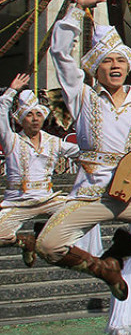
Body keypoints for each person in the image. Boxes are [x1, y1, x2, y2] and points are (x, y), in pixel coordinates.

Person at [34, 0, 131, 300]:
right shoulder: (83, 98)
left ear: (128, 67)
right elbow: (59, 54)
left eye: (120, 61)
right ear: (95, 69)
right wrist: (76, 9)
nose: (114, 66)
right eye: (107, 61)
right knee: (48, 244)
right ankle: (104, 269)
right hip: (91, 191)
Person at [0, 74, 80, 265]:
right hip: (18, 202)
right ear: (21, 120)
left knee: (80, 214)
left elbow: (84, 151)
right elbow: (1, 110)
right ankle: (24, 243)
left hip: (47, 198)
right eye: (29, 115)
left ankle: (44, 235)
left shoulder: (53, 142)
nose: (35, 119)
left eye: (38, 115)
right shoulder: (12, 140)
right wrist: (11, 91)